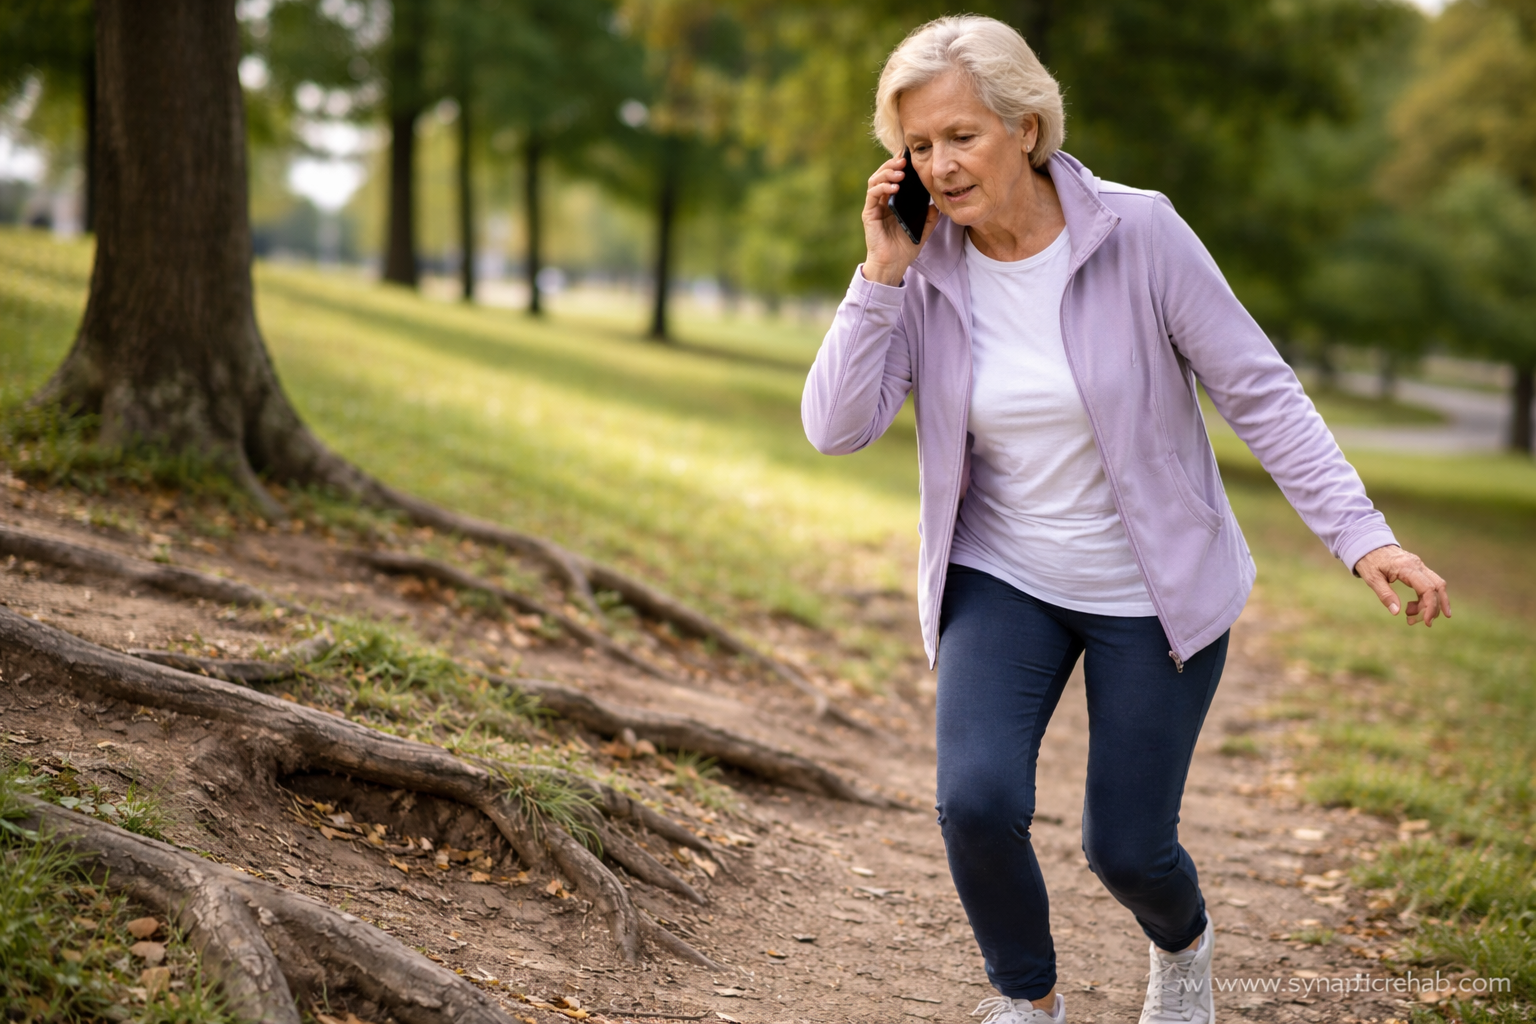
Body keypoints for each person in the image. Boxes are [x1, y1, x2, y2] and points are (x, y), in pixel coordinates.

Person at [801, 15, 1450, 1024]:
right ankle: (1029, 998)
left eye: (960, 136)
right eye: (917, 147)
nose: (941, 165)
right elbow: (837, 428)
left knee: (1128, 847)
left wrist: (1362, 534)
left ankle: (1184, 944)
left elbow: (1259, 391)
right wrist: (880, 273)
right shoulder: (924, 265)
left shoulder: (1138, 232)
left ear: (1026, 124)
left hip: (1154, 590)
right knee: (975, 801)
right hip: (1003, 572)